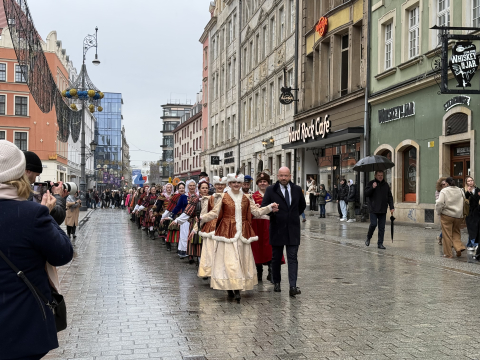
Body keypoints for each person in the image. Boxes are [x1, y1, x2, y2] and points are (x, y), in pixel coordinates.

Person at [0, 140, 74, 360]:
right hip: (20, 322)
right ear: (20, 174)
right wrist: (46, 213)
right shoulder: (31, 214)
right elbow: (62, 254)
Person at [201, 172, 278, 302]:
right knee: (231, 262)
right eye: (233, 183)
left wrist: (270, 207)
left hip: (243, 233)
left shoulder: (247, 198)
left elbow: (256, 212)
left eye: (238, 183)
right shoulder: (224, 197)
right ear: (229, 184)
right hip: (227, 232)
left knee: (241, 260)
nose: (236, 185)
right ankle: (232, 288)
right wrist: (202, 218)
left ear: (242, 184)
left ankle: (236, 288)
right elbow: (215, 212)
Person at [262, 167, 306, 297]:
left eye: (286, 176)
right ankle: (277, 282)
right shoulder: (271, 190)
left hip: (293, 229)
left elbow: (302, 206)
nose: (283, 178)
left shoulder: (297, 189)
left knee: (293, 258)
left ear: (290, 176)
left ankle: (293, 286)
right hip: (277, 228)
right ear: (277, 176)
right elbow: (264, 207)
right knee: (276, 258)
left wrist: (291, 217)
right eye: (281, 176)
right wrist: (272, 210)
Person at [250, 171, 283, 282]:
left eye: (265, 181)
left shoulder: (274, 195)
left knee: (270, 248)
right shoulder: (253, 196)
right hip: (257, 225)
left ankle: (271, 271)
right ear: (257, 183)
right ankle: (259, 272)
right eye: (260, 182)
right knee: (257, 249)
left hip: (270, 223)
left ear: (268, 183)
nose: (263, 183)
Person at [24, 150, 68, 225]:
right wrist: (58, 196)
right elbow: (56, 218)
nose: (34, 180)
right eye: (36, 175)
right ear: (28, 171)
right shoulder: (27, 191)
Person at [198, 176, 226, 278]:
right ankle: (209, 272)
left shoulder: (230, 197)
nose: (220, 186)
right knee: (210, 252)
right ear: (214, 186)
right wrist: (197, 227)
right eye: (218, 185)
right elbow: (204, 214)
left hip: (225, 227)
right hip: (211, 228)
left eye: (222, 185)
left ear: (225, 185)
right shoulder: (210, 198)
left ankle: (221, 273)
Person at [435, 177, 466, 258]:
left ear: (447, 183)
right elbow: (464, 201)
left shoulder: (444, 191)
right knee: (456, 232)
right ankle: (459, 248)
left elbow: (439, 203)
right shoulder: (460, 190)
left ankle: (448, 254)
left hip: (447, 215)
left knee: (447, 235)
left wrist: (439, 212)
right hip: (458, 215)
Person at [364, 170, 394, 250]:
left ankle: (380, 243)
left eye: (381, 175)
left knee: (382, 227)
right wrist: (372, 188)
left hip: (383, 209)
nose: (380, 176)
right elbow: (366, 193)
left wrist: (391, 206)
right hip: (373, 208)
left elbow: (390, 197)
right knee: (373, 224)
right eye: (378, 175)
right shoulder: (371, 183)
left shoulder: (386, 185)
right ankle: (368, 237)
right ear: (375, 175)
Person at [464, 176, 480, 251]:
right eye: (468, 181)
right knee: (471, 227)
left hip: (477, 211)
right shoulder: (464, 190)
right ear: (466, 183)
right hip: (469, 212)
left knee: (475, 228)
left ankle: (470, 244)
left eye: (472, 180)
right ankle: (475, 244)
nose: (470, 182)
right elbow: (465, 198)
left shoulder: (477, 189)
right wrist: (469, 192)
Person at [435, 177, 447, 245]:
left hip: (449, 211)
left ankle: (440, 237)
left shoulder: (449, 190)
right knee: (445, 227)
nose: (444, 185)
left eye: (445, 184)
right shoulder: (438, 192)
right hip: (442, 211)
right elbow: (438, 201)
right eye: (443, 184)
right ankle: (441, 238)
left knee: (447, 227)